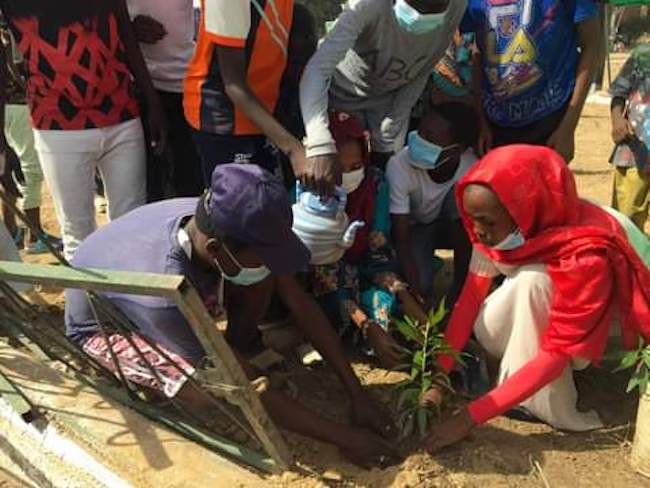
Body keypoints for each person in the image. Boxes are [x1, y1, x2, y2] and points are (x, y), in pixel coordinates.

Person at [65, 163, 398, 467]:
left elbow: (299, 302)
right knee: (201, 390)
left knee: (263, 275)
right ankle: (182, 370)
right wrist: (346, 438)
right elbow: (243, 383)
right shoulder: (164, 298)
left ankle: (239, 343)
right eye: (262, 255)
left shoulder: (222, 219)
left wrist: (356, 393)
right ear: (215, 250)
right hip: (106, 324)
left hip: (165, 280)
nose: (269, 262)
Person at [421, 145, 650, 452]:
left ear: (524, 207)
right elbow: (468, 304)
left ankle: (550, 402)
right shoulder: (504, 225)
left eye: (487, 222)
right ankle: (520, 381)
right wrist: (438, 378)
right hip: (560, 313)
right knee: (529, 283)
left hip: (606, 330)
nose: (478, 231)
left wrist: (469, 418)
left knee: (535, 280)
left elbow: (558, 351)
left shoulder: (587, 252)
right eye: (473, 218)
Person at [0, 0, 167, 260]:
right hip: (57, 127)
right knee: (79, 238)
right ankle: (87, 302)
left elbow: (126, 36)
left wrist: (153, 103)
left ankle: (127, 301)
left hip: (122, 117)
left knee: (131, 226)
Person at [292, 111, 427, 367]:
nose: (349, 176)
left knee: (390, 309)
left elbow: (379, 254)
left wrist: (403, 294)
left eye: (356, 167)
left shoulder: (375, 185)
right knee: (335, 306)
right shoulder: (305, 197)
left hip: (363, 268)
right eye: (339, 168)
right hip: (321, 277)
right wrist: (365, 325)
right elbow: (320, 270)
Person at [299, 0, 467, 195]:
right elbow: (317, 70)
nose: (422, 15)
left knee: (376, 185)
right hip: (340, 95)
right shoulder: (367, 6)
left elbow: (423, 69)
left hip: (388, 101)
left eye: (435, 7)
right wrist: (319, 143)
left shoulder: (458, 5)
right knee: (335, 177)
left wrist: (388, 133)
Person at [184, 0, 308, 185]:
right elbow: (233, 84)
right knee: (239, 206)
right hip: (224, 117)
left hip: (266, 112)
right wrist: (293, 149)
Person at [462, 0, 600, 162]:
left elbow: (591, 46)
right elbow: (477, 50)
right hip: (495, 124)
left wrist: (567, 128)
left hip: (549, 120)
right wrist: (480, 119)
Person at [386, 103, 476, 306]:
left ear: (456, 150)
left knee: (465, 199)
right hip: (415, 228)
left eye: (430, 137)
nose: (419, 140)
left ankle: (460, 288)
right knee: (423, 282)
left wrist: (460, 291)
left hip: (448, 224)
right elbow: (401, 237)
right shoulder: (399, 166)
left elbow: (469, 230)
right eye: (420, 132)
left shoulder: (470, 166)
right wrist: (417, 294)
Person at [127, 0, 204, 200]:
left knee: (189, 183)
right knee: (147, 187)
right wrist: (129, 27)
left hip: (186, 87)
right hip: (136, 88)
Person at [0, 17, 61, 253]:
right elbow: (17, 67)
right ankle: (36, 236)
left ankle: (14, 231)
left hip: (11, 108)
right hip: (17, 106)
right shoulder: (12, 30)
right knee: (31, 171)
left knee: (11, 174)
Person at [609, 43, 649, 233]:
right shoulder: (642, 55)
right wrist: (617, 121)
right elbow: (619, 93)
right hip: (634, 150)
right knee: (626, 223)